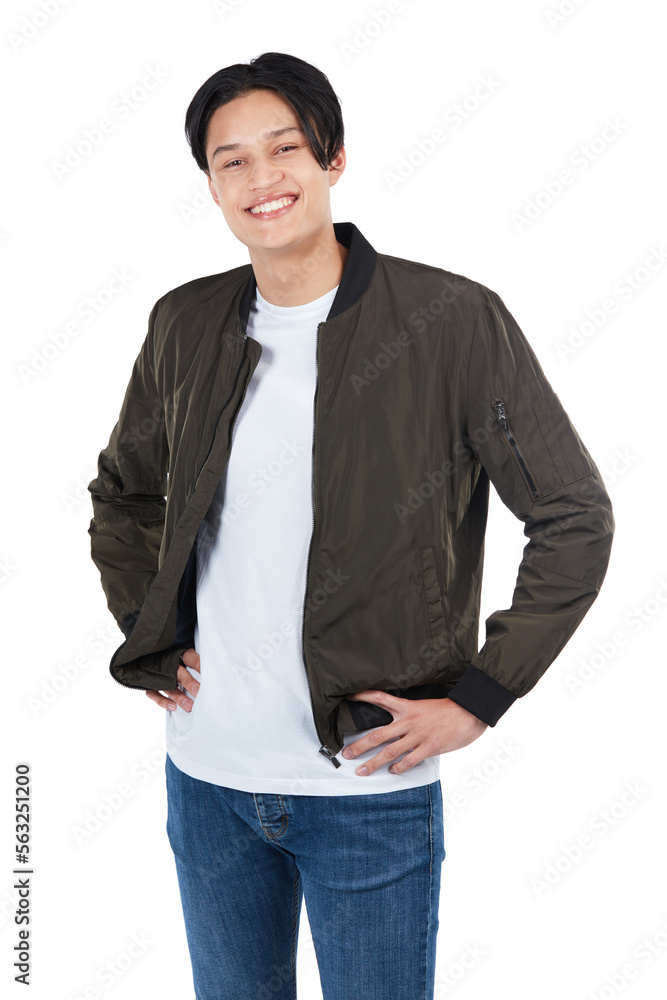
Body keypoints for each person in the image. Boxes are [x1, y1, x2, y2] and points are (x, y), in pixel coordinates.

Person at [87, 51, 615, 1000]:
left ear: (331, 159)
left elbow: (572, 515)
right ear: (209, 185)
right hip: (207, 781)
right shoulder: (185, 323)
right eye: (231, 161)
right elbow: (124, 493)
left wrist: (483, 693)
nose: (261, 178)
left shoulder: (448, 319)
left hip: (366, 786)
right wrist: (152, 633)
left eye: (283, 148)